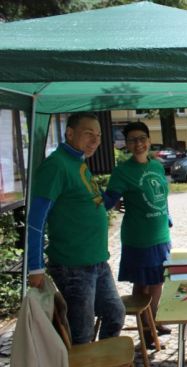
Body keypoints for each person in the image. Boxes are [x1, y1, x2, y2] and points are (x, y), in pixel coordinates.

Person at [26, 112, 125, 345]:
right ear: (69, 133)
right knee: (82, 333)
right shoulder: (56, 166)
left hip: (96, 261)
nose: (95, 140)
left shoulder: (78, 162)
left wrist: (117, 195)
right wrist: (35, 267)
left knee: (114, 314)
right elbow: (36, 219)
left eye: (98, 135)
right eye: (88, 134)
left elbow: (91, 203)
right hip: (73, 266)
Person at [103, 121, 172, 343]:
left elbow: (162, 195)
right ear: (127, 144)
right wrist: (112, 203)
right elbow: (107, 201)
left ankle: (155, 319)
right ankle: (146, 329)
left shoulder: (157, 166)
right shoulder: (122, 172)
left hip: (161, 235)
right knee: (142, 284)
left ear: (149, 140)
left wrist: (167, 217)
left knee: (158, 281)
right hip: (139, 238)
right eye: (133, 140)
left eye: (142, 138)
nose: (138, 143)